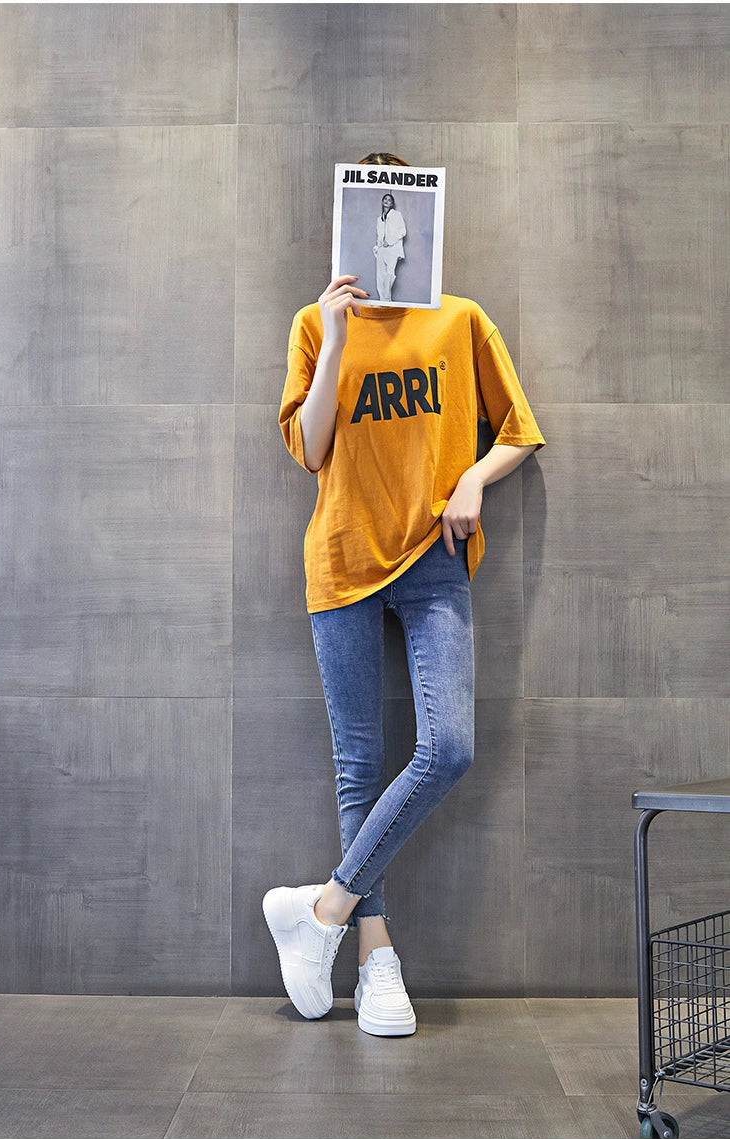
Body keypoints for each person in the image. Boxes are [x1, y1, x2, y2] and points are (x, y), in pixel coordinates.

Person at [264, 152, 544, 1037]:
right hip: (341, 559)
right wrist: (336, 336)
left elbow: (521, 430)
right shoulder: (314, 324)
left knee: (448, 748)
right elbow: (311, 449)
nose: (386, 244)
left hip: (433, 558)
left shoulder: (459, 319)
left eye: (398, 228)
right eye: (370, 227)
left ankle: (322, 914)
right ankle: (376, 958)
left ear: (418, 230)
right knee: (358, 766)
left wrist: (473, 479)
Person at [373, 192, 406, 302]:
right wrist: (378, 247)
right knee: (380, 276)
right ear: (382, 202)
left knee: (390, 274)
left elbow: (403, 231)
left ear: (392, 204)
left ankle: (386, 299)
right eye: (385, 199)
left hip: (393, 248)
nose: (387, 201)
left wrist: (390, 241)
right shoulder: (379, 219)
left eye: (389, 200)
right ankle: (383, 300)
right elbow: (379, 235)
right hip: (382, 249)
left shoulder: (397, 215)